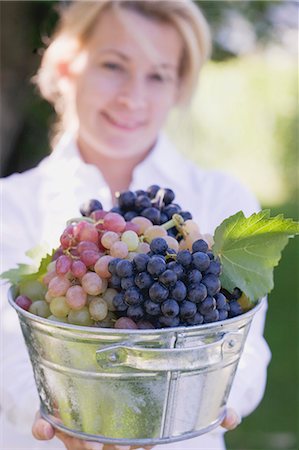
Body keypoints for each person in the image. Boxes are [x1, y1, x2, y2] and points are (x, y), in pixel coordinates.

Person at [0, 1, 271, 449]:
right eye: (113, 65)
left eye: (159, 74)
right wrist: (61, 412)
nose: (133, 96)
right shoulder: (9, 205)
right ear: (67, 65)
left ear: (178, 87)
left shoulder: (223, 202)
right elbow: (5, 345)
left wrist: (208, 396)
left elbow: (249, 347)